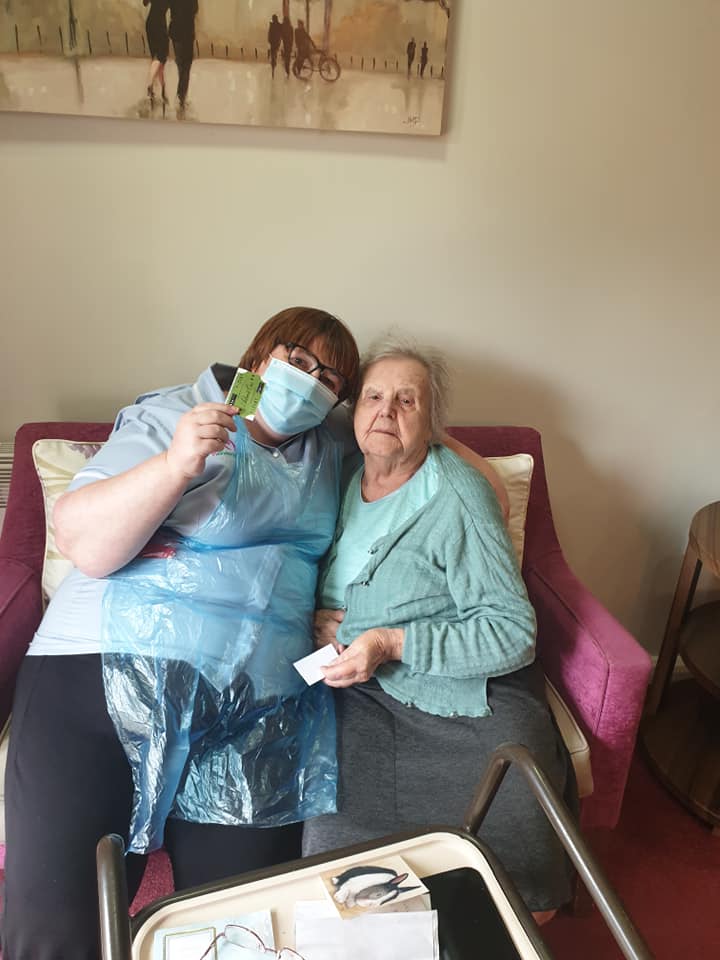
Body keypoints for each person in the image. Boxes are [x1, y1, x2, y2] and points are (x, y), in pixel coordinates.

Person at [2, 311, 506, 960]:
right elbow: (84, 543)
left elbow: (478, 491)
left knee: (240, 928)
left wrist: (418, 420)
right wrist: (177, 463)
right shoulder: (175, 414)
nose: (311, 382)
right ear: (258, 357)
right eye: (297, 360)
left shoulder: (331, 440)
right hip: (102, 675)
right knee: (58, 927)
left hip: (256, 713)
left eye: (331, 379)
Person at [303, 339, 577, 923]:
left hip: (467, 697)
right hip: (364, 697)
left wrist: (390, 641)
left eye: (407, 401)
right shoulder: (340, 472)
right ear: (352, 410)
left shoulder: (458, 495)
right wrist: (313, 619)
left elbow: (512, 632)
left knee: (516, 886)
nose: (386, 410)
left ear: (432, 424)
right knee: (344, 872)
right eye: (373, 397)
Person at [169, 0, 198, 116]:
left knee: (181, 64)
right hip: (187, 31)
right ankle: (181, 97)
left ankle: (181, 96)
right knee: (186, 65)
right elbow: (195, 9)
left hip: (176, 31)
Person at [143, 0, 170, 105]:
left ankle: (162, 89)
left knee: (157, 58)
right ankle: (150, 84)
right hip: (160, 25)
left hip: (150, 24)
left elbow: (145, 3)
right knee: (160, 57)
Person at [268, 14, 282, 78]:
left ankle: (273, 64)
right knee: (275, 52)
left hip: (272, 42)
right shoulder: (279, 25)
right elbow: (281, 33)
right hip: (277, 42)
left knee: (272, 52)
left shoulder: (271, 25)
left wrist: (269, 40)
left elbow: (269, 33)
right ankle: (274, 61)